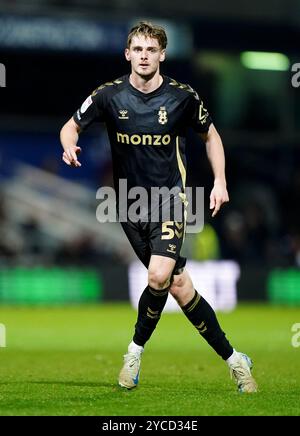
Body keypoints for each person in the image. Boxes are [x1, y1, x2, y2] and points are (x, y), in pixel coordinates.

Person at [60, 21, 257, 393]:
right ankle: (235, 360)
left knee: (157, 276)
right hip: (128, 206)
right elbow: (70, 126)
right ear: (127, 54)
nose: (144, 56)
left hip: (169, 200)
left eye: (151, 50)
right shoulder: (109, 95)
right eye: (138, 49)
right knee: (179, 286)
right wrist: (69, 145)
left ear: (162, 55)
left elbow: (210, 136)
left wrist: (220, 181)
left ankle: (133, 354)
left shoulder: (182, 97)